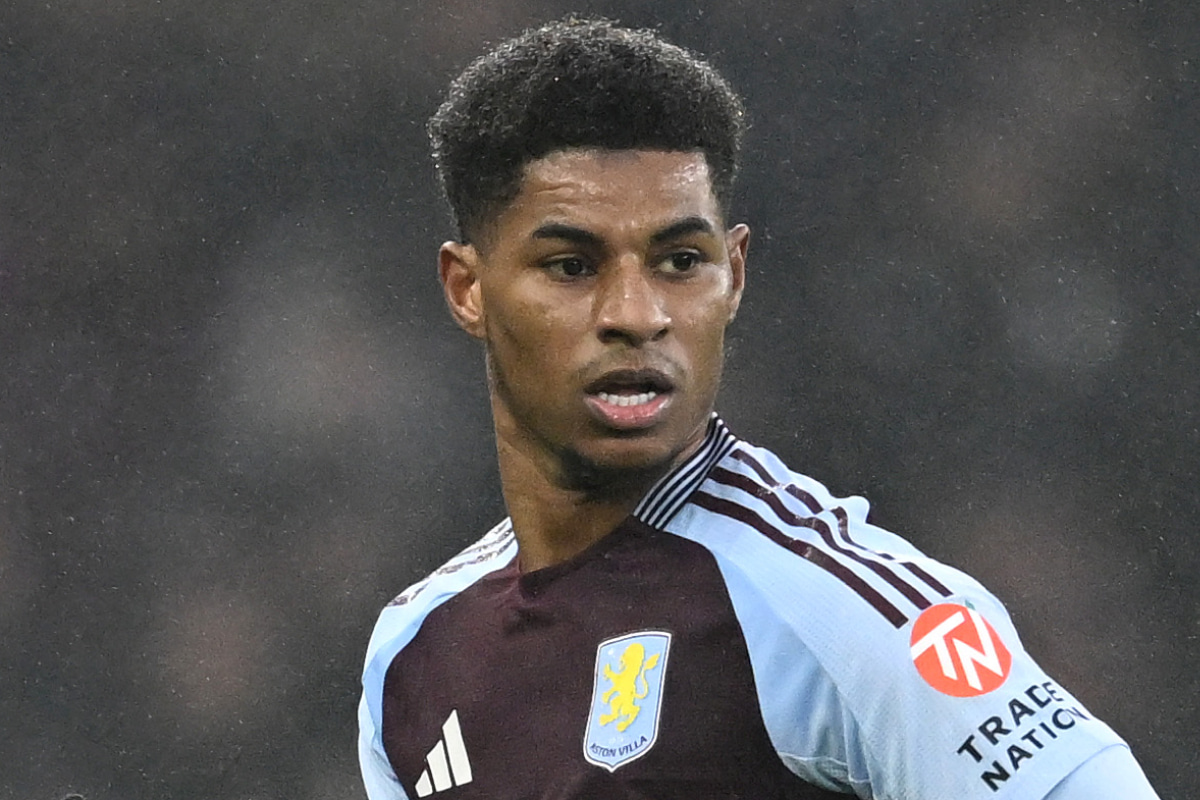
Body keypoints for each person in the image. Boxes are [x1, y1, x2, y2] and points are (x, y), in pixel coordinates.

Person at [358, 18, 1160, 800]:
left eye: (681, 261)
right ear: (468, 289)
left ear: (734, 274)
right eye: (572, 266)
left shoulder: (842, 609)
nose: (637, 314)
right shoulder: (412, 657)